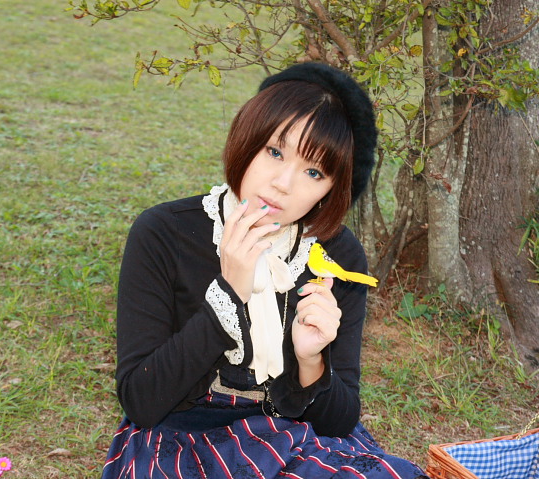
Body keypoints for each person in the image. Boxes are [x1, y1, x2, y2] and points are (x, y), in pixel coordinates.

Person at [102, 62, 428, 478]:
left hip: (298, 437)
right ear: (248, 137)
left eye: (313, 172)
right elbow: (142, 401)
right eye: (275, 151)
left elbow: (340, 420)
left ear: (330, 190)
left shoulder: (336, 255)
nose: (283, 184)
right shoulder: (165, 232)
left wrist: (311, 362)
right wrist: (228, 295)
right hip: (183, 442)